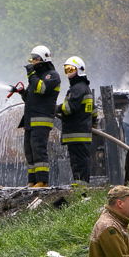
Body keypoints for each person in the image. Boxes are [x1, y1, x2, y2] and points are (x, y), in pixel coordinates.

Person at [13, 45, 61, 187]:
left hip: (41, 119)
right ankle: (32, 180)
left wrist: (31, 75)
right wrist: (21, 92)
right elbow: (30, 98)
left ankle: (42, 180)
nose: (32, 61)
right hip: (30, 119)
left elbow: (42, 89)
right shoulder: (36, 77)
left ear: (43, 59)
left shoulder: (52, 75)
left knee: (38, 149)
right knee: (29, 150)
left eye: (35, 59)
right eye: (32, 59)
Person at [57, 56, 97, 185]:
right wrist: (92, 122)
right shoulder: (85, 88)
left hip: (76, 133)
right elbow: (94, 111)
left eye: (71, 69)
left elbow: (68, 109)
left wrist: (55, 108)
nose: (68, 73)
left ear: (79, 70)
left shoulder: (77, 88)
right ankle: (80, 186)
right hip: (81, 133)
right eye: (66, 70)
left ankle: (81, 189)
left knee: (79, 163)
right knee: (80, 162)